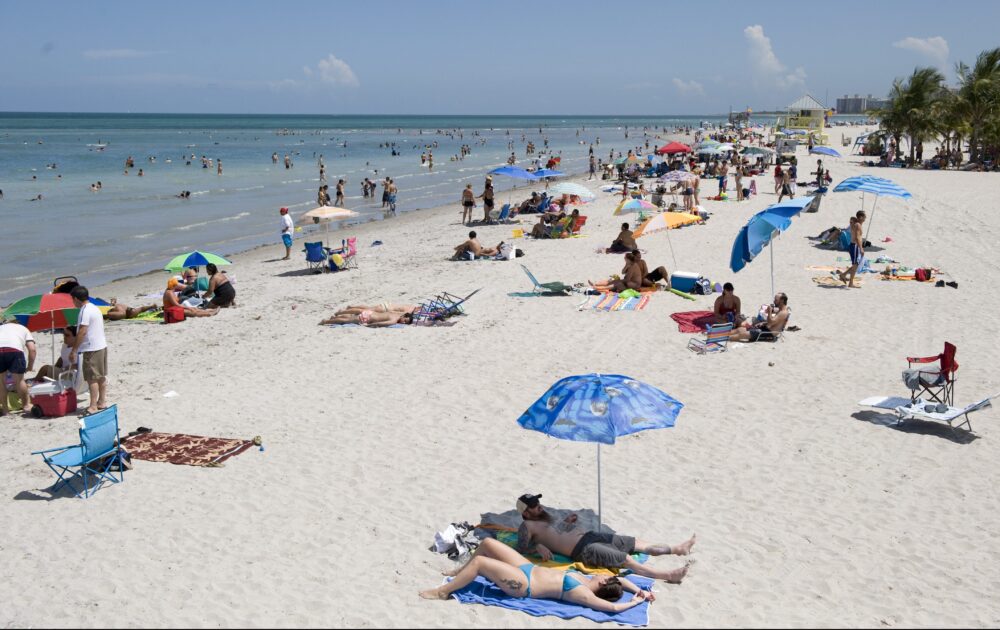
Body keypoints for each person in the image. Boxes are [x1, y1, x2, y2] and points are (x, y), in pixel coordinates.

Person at [419, 538, 654, 613]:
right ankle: (459, 572)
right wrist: (640, 591)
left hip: (523, 584)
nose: (604, 575)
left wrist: (632, 603)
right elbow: (621, 581)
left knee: (481, 562)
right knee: (488, 543)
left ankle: (442, 592)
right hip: (528, 569)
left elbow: (611, 608)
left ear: (603, 583)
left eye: (605, 578)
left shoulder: (583, 594)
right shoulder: (592, 580)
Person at [516, 494, 694, 581]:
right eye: (533, 505)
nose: (538, 505)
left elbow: (556, 533)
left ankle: (677, 549)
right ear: (525, 512)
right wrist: (537, 548)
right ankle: (668, 575)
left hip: (590, 536)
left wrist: (566, 522)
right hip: (583, 550)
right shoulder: (527, 526)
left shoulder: (545, 516)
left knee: (634, 543)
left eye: (537, 502)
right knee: (625, 559)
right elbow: (521, 549)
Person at [68, 285, 109, 414]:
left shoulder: (85, 310)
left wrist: (74, 350)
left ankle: (93, 405)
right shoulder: (94, 308)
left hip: (91, 348)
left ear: (76, 299)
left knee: (92, 378)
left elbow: (82, 331)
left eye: (72, 299)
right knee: (101, 376)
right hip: (101, 345)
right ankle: (102, 401)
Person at [0, 320, 37, 416]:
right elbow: (32, 349)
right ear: (17, 322)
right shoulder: (23, 328)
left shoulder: (1, 327)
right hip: (14, 350)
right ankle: (26, 406)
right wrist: (30, 366)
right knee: (19, 381)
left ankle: (5, 410)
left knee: (1, 381)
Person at [837, 211, 866, 288]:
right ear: (861, 217)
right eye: (864, 217)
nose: (865, 219)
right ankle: (844, 276)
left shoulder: (855, 224)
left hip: (853, 246)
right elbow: (857, 237)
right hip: (855, 246)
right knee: (856, 265)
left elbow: (852, 220)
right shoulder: (858, 225)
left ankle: (848, 280)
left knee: (855, 265)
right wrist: (861, 248)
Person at [319, 310, 414, 327]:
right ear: (404, 317)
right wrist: (370, 325)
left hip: (370, 313)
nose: (403, 323)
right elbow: (383, 324)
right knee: (347, 321)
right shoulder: (394, 320)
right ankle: (326, 321)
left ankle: (335, 317)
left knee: (352, 317)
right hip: (368, 318)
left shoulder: (396, 314)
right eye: (405, 321)